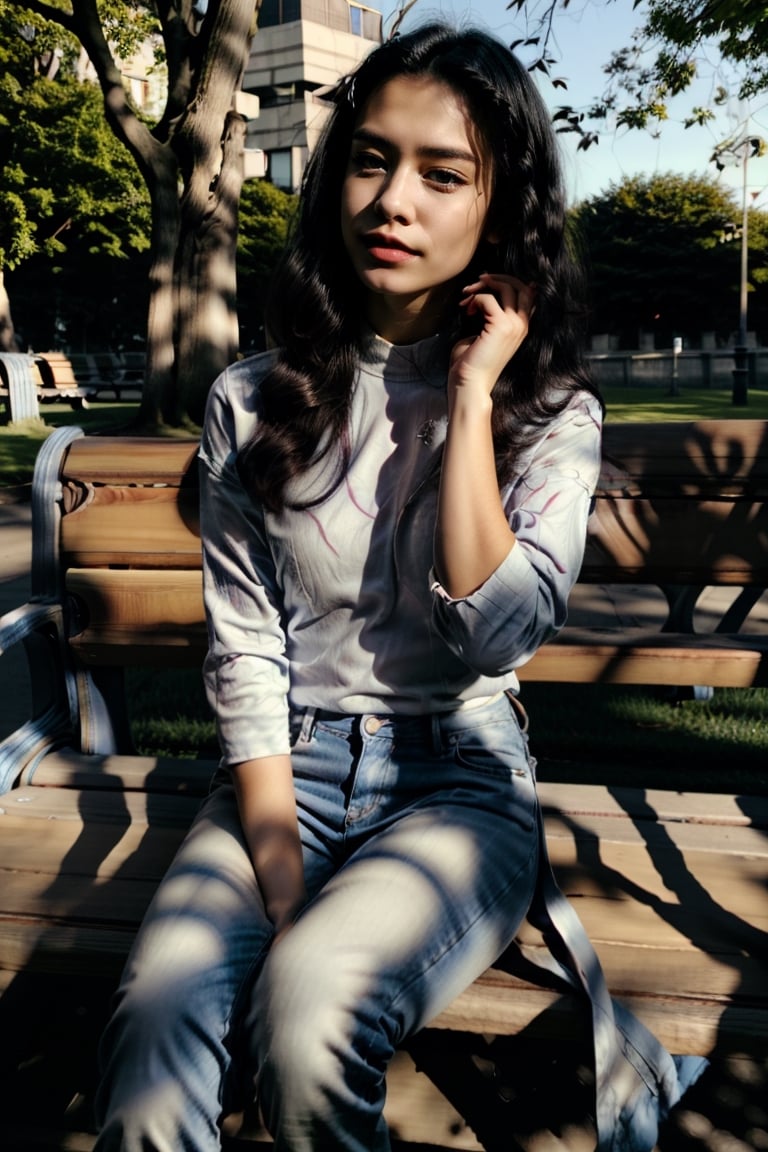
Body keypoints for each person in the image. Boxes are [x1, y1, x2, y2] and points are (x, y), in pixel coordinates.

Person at [94, 22, 705, 1152]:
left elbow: (493, 634)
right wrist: (280, 874)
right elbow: (245, 648)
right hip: (286, 778)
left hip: (459, 782)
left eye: (443, 173)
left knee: (312, 1006)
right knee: (157, 1021)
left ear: (499, 205)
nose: (393, 201)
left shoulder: (552, 416)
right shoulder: (250, 398)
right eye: (372, 159)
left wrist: (474, 396)